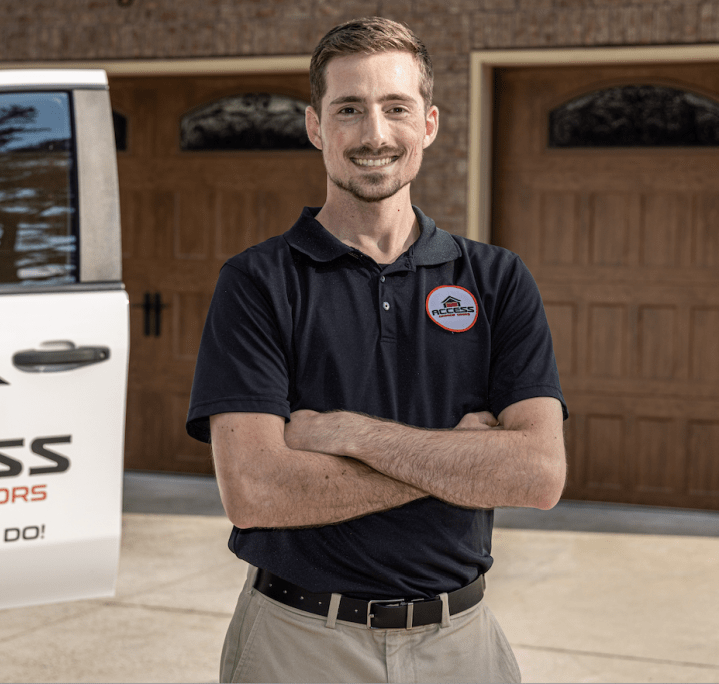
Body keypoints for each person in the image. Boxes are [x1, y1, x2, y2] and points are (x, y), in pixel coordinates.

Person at [186, 16, 567, 683]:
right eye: (348, 110)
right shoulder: (257, 283)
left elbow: (534, 475)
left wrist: (349, 433)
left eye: (395, 108)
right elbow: (255, 492)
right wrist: (459, 458)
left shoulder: (496, 279)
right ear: (315, 126)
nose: (373, 135)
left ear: (428, 123)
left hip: (462, 644)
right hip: (297, 642)